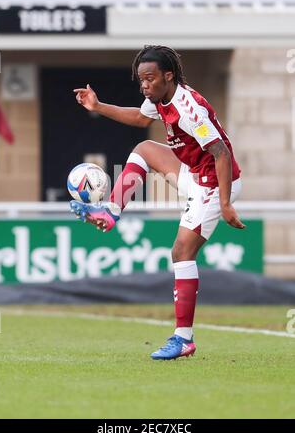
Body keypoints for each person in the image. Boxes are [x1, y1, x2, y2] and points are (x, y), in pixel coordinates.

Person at [72, 45, 245, 361]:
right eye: (141, 80)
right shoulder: (160, 99)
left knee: (181, 252)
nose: (145, 86)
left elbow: (221, 153)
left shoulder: (190, 107)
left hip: (214, 183)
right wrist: (97, 106)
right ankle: (111, 212)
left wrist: (224, 202)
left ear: (169, 76)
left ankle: (183, 339)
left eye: (150, 79)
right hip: (194, 173)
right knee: (145, 149)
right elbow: (139, 118)